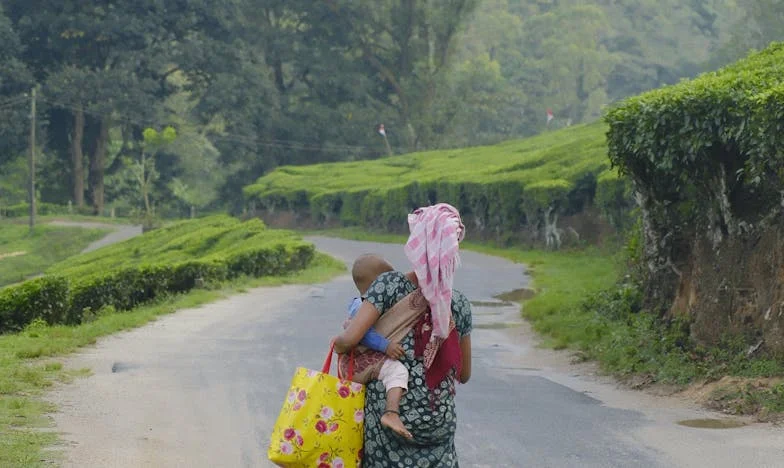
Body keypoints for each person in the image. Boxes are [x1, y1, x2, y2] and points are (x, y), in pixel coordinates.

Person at [333, 203, 473, 467]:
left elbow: (350, 340)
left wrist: (338, 343)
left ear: (416, 243)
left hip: (385, 419)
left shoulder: (387, 285)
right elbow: (463, 374)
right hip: (438, 421)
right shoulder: (459, 304)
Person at [340, 254, 416, 439]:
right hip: (363, 360)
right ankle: (391, 412)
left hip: (361, 362)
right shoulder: (362, 306)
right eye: (389, 278)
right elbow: (361, 333)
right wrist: (386, 346)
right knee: (397, 371)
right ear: (379, 285)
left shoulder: (364, 304)